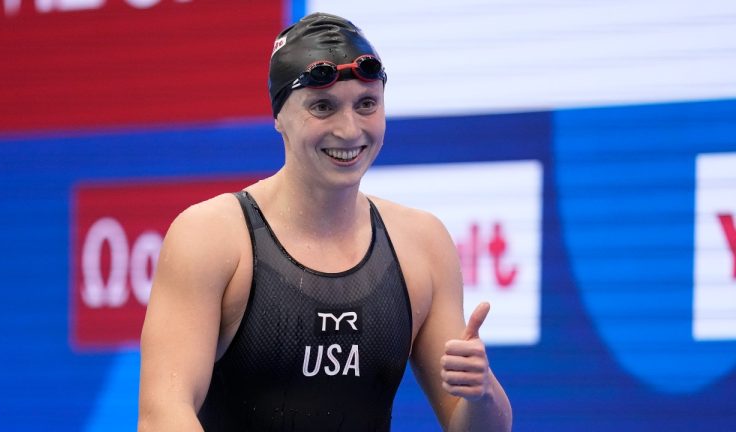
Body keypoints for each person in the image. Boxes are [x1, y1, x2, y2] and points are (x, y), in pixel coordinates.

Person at [138, 12, 512, 432]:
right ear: (279, 116)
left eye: (366, 104)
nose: (349, 129)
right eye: (323, 107)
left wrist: (481, 392)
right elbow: (162, 414)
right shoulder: (213, 237)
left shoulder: (421, 243)